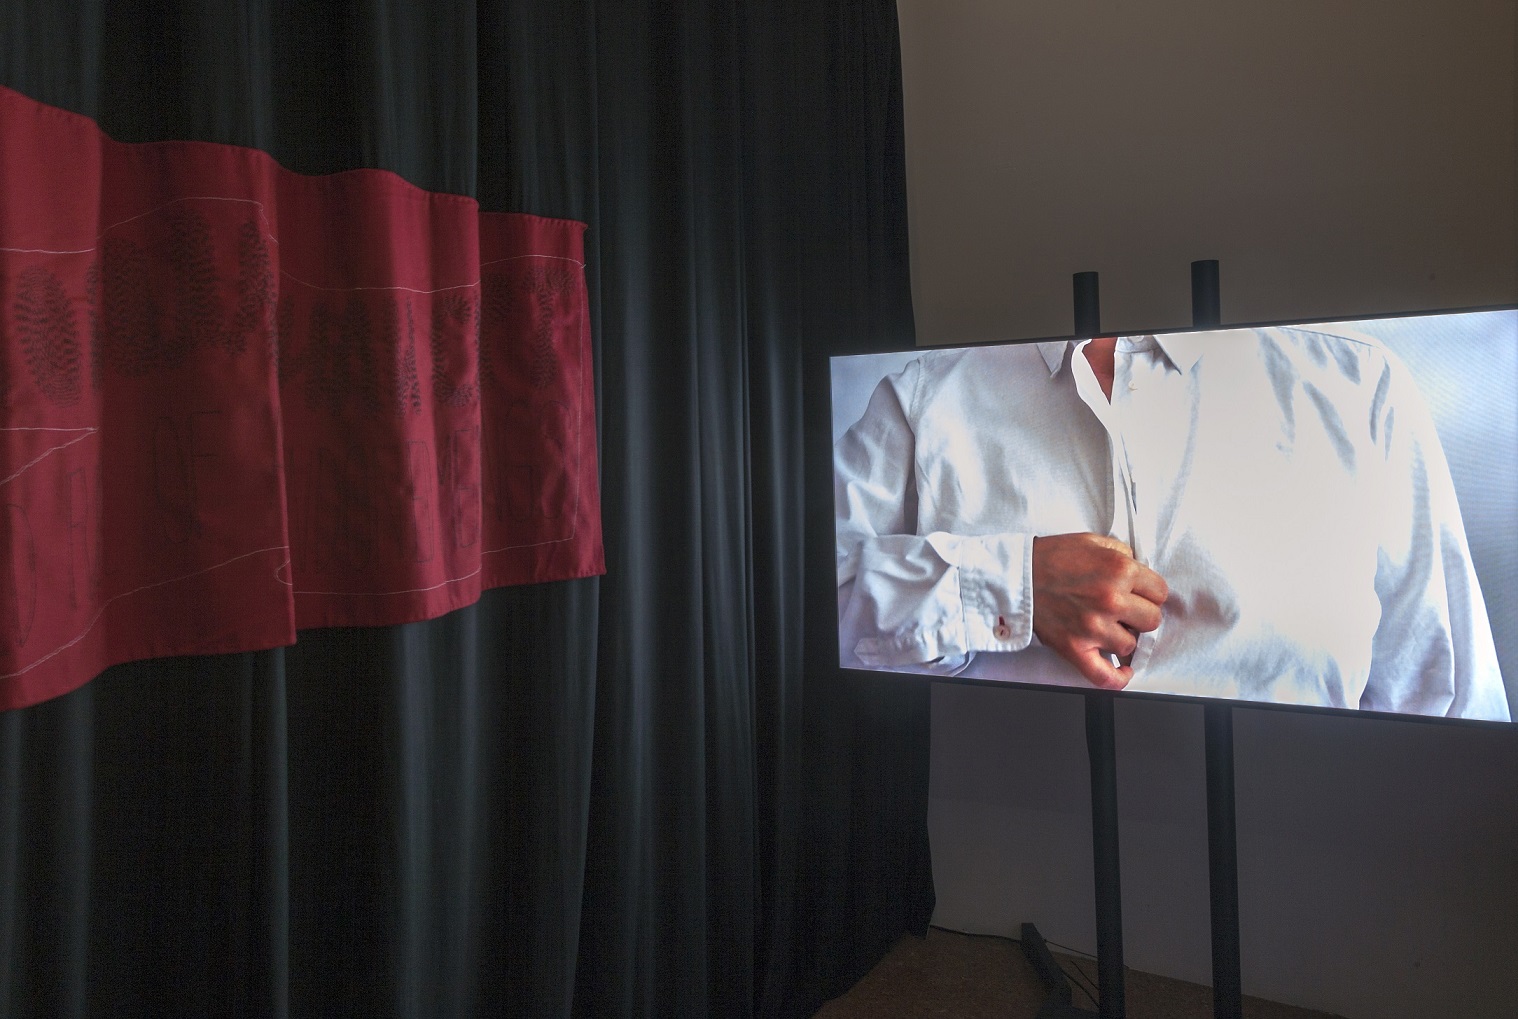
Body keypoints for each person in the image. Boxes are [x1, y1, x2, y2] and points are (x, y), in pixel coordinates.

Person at [834, 325, 1510, 721]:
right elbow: (803, 615)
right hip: (1002, 893)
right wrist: (1013, 586)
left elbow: (1449, 704)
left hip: (1313, 896)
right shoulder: (923, 399)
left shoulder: (1359, 387)